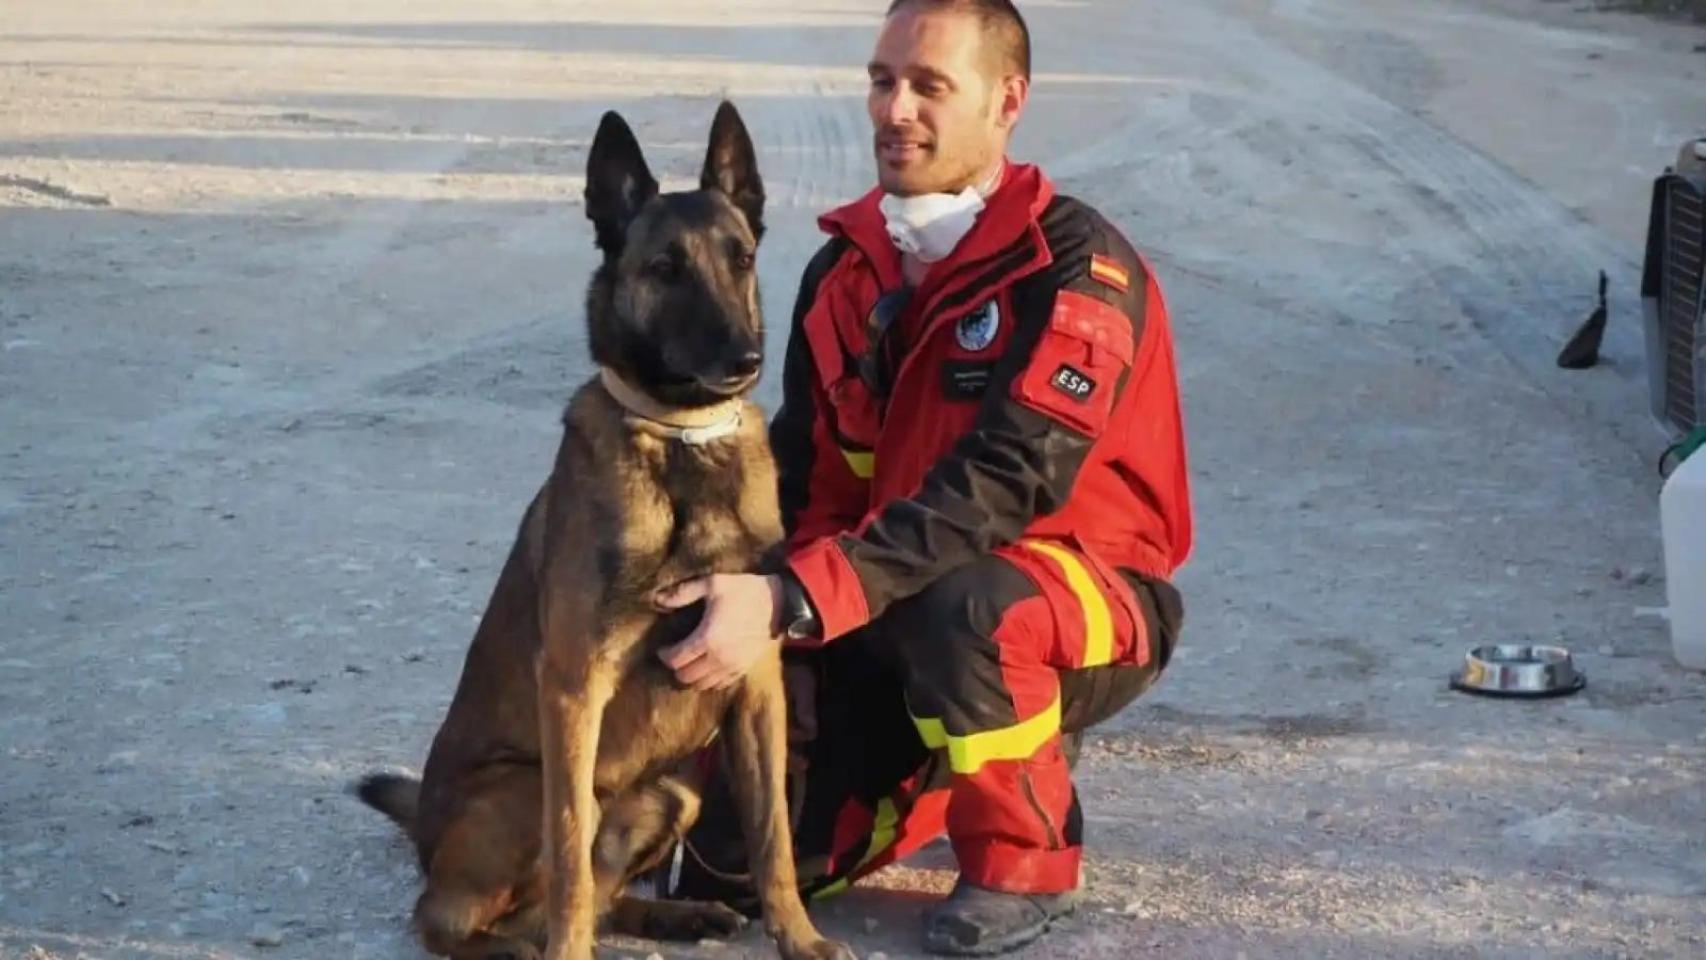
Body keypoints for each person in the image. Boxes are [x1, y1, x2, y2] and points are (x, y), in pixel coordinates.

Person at [652, 0, 1193, 954]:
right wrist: (751, 612)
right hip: (881, 593)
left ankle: (1028, 858)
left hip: (1076, 597)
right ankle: (942, 761)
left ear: (1007, 101)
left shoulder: (1073, 268)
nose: (896, 109)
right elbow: (808, 475)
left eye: (931, 86)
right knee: (726, 870)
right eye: (882, 80)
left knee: (968, 609)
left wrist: (788, 602)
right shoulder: (845, 272)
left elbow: (1003, 485)